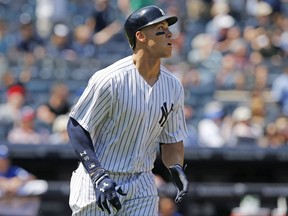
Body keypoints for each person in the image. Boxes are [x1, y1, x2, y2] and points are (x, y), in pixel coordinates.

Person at [67, 5, 189, 216]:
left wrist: (175, 166)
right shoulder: (110, 79)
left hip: (142, 181)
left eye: (168, 28)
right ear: (140, 36)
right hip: (98, 178)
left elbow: (171, 140)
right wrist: (98, 175)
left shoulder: (173, 86)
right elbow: (76, 126)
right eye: (160, 29)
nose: (170, 34)